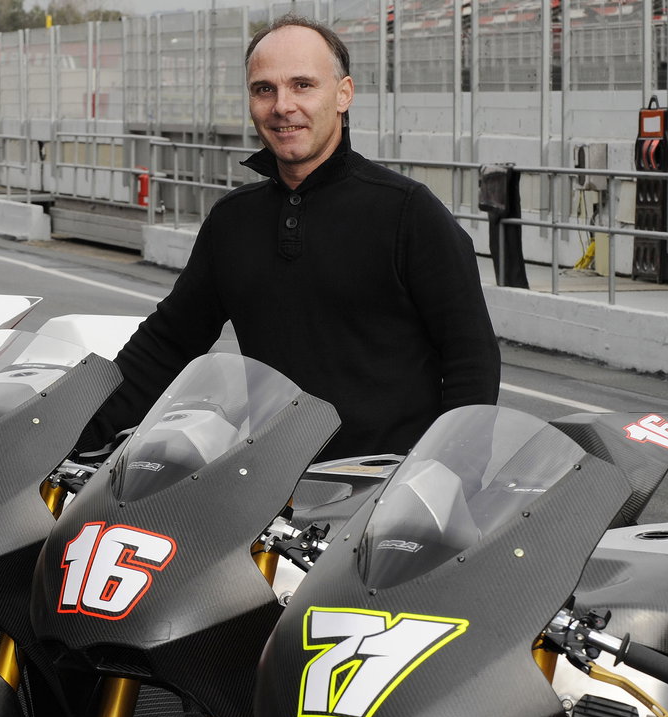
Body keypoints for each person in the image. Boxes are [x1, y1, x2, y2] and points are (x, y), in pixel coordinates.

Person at [83, 14, 500, 461]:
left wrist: (450, 477)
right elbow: (166, 346)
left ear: (343, 95)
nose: (283, 106)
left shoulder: (408, 211)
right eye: (265, 88)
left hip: (383, 495)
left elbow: (470, 357)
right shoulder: (233, 220)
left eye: (303, 85)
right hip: (268, 492)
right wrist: (73, 433)